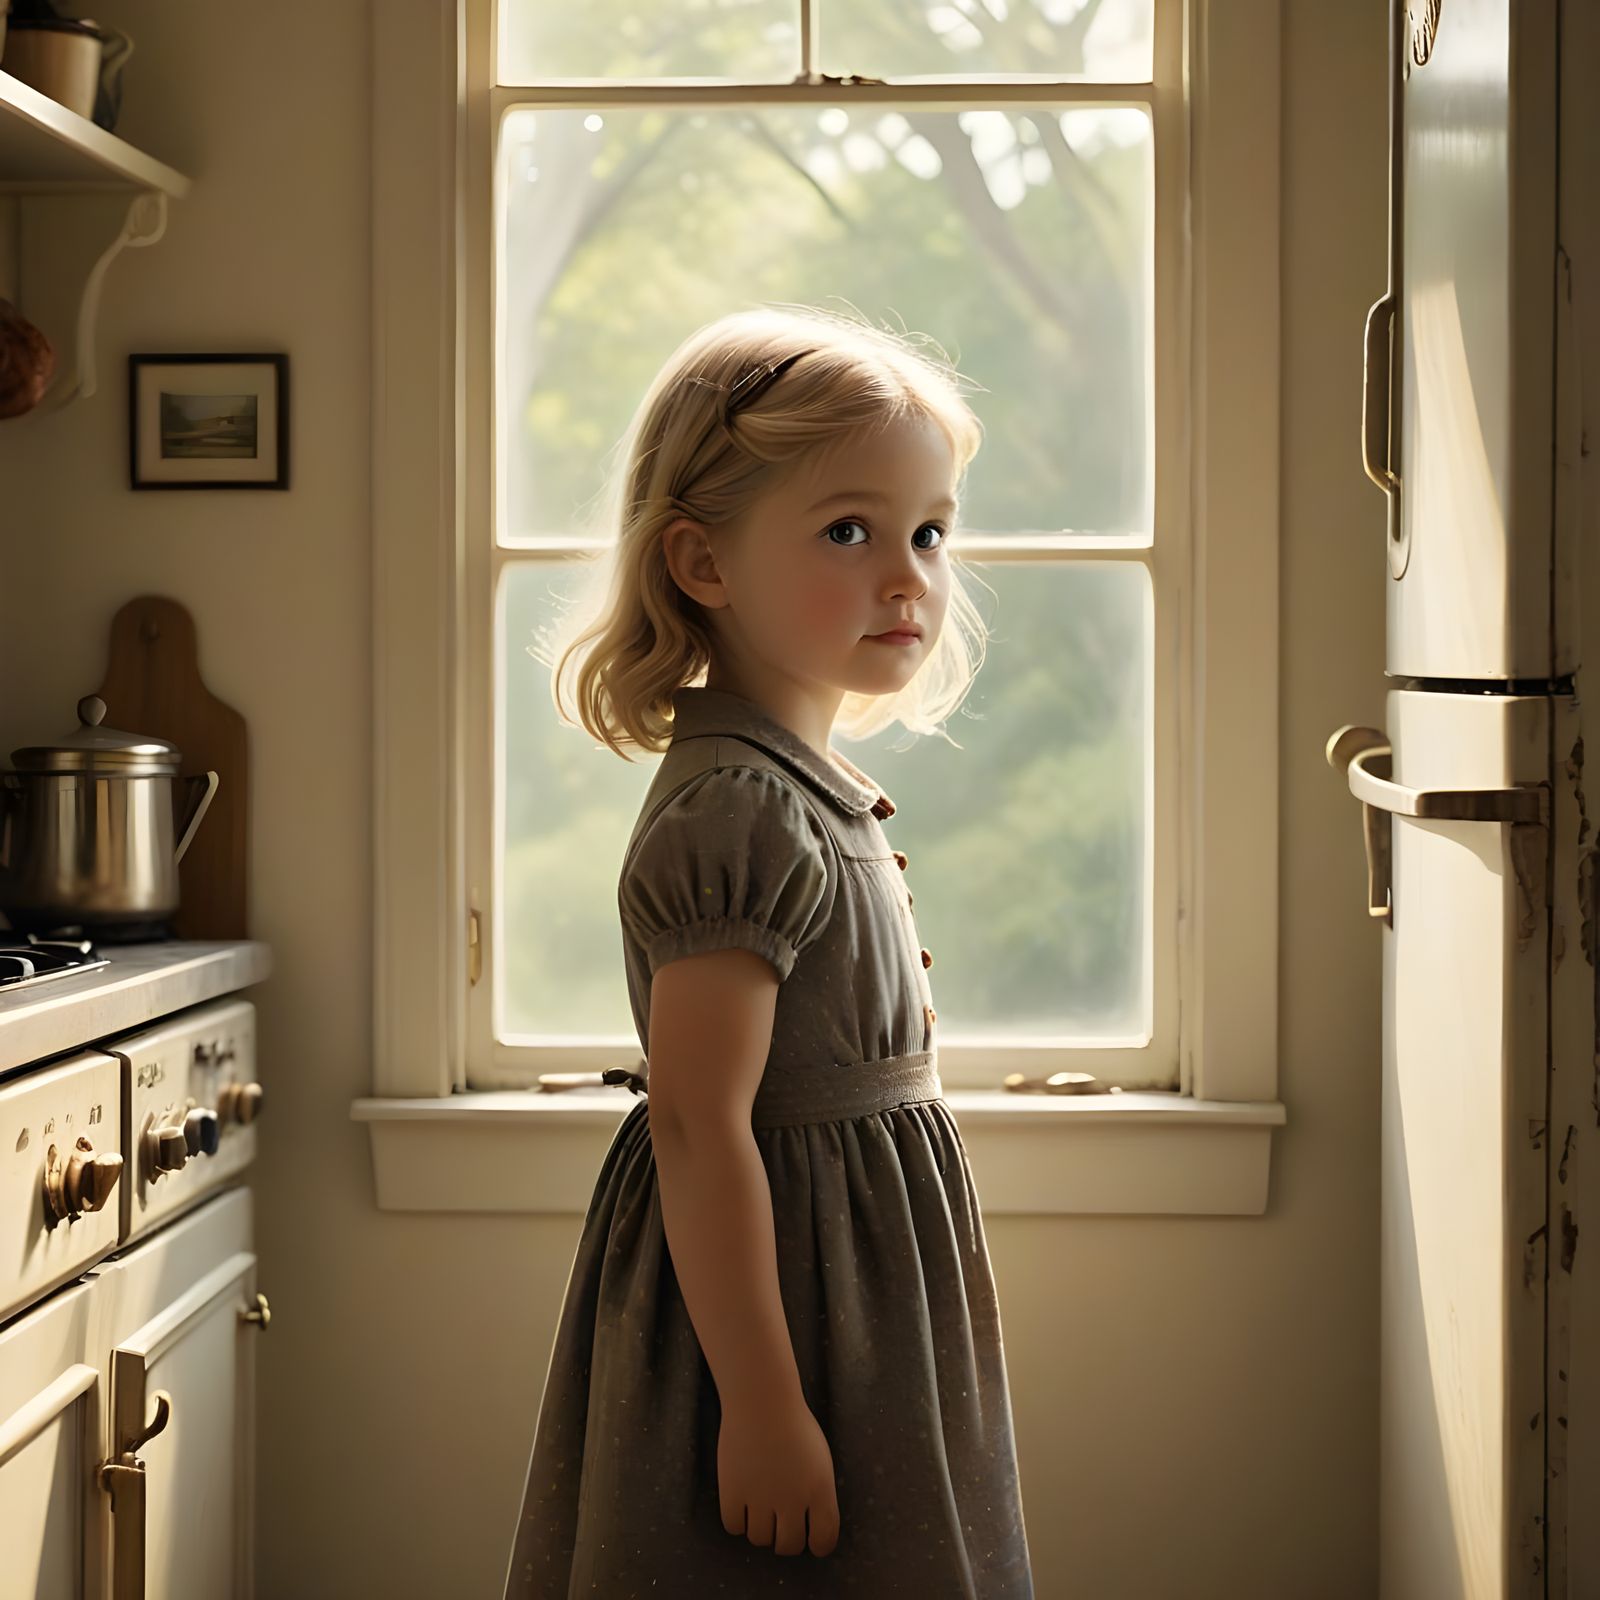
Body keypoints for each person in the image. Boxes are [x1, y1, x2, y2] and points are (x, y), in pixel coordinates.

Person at [501, 303, 1034, 1598]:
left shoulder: (804, 786)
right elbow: (697, 1126)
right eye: (849, 531)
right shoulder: (737, 808)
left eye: (930, 532)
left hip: (856, 1293)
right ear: (703, 563)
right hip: (781, 1314)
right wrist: (764, 1406)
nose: (907, 575)